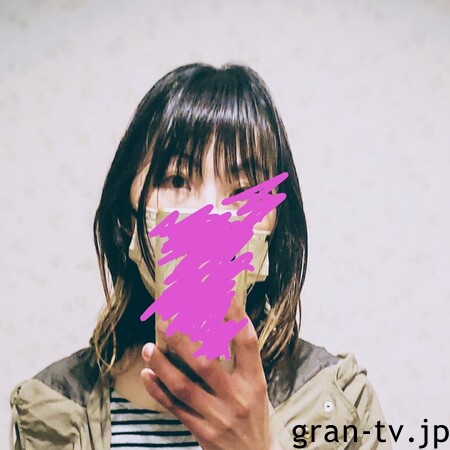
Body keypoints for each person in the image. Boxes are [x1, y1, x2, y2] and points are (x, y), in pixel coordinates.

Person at [10, 63, 391, 450]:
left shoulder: (339, 402)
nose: (211, 214)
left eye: (243, 189)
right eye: (177, 179)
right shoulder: (50, 413)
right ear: (127, 219)